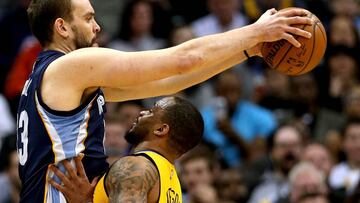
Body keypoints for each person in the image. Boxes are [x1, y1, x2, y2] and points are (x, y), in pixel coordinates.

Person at [17, 0, 312, 202]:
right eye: (88, 17)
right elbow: (182, 59)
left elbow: (172, 81)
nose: (97, 27)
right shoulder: (72, 66)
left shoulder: (59, 79)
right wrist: (254, 31)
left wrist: (249, 51)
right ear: (62, 27)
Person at [50, 96, 204, 202]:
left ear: (161, 130)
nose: (142, 112)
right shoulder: (172, 181)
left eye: (151, 112)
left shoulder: (137, 167)